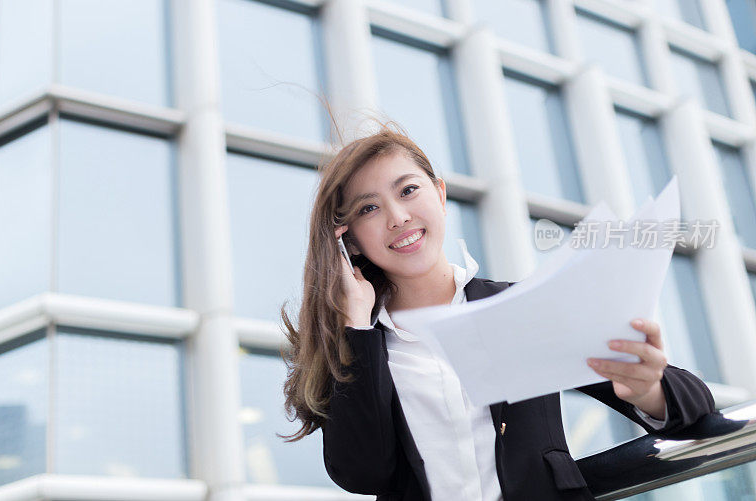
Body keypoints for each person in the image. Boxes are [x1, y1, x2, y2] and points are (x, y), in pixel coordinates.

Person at [278, 124, 716, 501]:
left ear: (440, 193)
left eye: (409, 190)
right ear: (348, 240)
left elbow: (695, 405)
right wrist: (356, 326)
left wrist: (648, 388)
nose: (398, 216)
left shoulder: (523, 309)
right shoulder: (361, 345)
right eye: (368, 208)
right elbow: (361, 473)